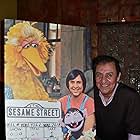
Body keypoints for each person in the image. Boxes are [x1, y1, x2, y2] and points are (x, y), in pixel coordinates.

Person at [92, 55, 140, 140]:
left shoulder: (131, 97)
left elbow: (134, 135)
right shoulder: (90, 95)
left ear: (118, 77)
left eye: (109, 75)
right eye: (99, 75)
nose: (103, 81)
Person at [59, 69, 96, 140]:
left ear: (83, 84)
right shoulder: (61, 101)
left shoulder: (90, 102)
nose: (75, 86)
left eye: (78, 82)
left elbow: (87, 133)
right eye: (72, 82)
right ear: (68, 84)